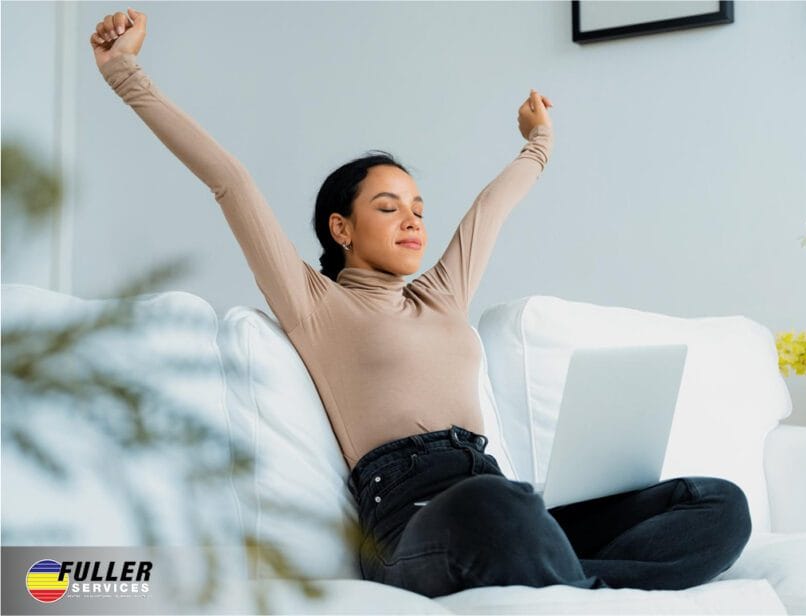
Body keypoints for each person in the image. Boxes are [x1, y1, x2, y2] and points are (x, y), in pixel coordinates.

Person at [91, 8, 753, 599]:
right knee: (498, 509)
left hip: (503, 503)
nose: (412, 220)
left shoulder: (441, 294)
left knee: (718, 504)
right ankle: (564, 580)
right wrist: (126, 75)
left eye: (418, 208)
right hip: (412, 522)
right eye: (388, 207)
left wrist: (539, 143)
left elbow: (492, 208)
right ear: (341, 228)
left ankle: (569, 586)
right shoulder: (315, 304)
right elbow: (230, 182)